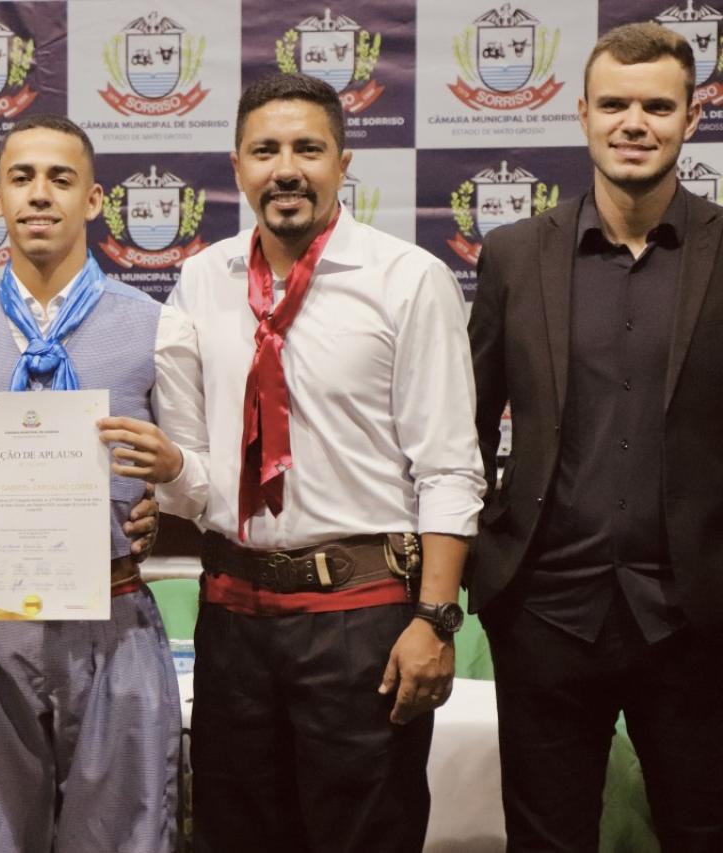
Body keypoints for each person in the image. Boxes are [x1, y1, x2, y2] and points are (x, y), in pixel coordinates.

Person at [155, 73, 485, 853]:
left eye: (308, 149)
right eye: (265, 150)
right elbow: (197, 476)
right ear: (237, 165)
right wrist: (164, 466)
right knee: (234, 837)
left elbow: (449, 467)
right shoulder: (201, 280)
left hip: (361, 620)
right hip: (232, 617)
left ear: (342, 162)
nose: (286, 169)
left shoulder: (408, 279)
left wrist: (435, 618)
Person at [0, 113, 205, 853]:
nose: (39, 194)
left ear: (93, 201)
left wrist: (167, 488)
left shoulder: (160, 329)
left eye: (61, 179)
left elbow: (198, 481)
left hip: (114, 620)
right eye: (21, 177)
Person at [468, 22, 723, 851]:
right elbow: (466, 426)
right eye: (614, 104)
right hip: (544, 613)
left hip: (698, 619)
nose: (633, 123)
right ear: (582, 114)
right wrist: (483, 565)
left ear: (692, 117)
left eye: (658, 106)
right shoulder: (514, 255)